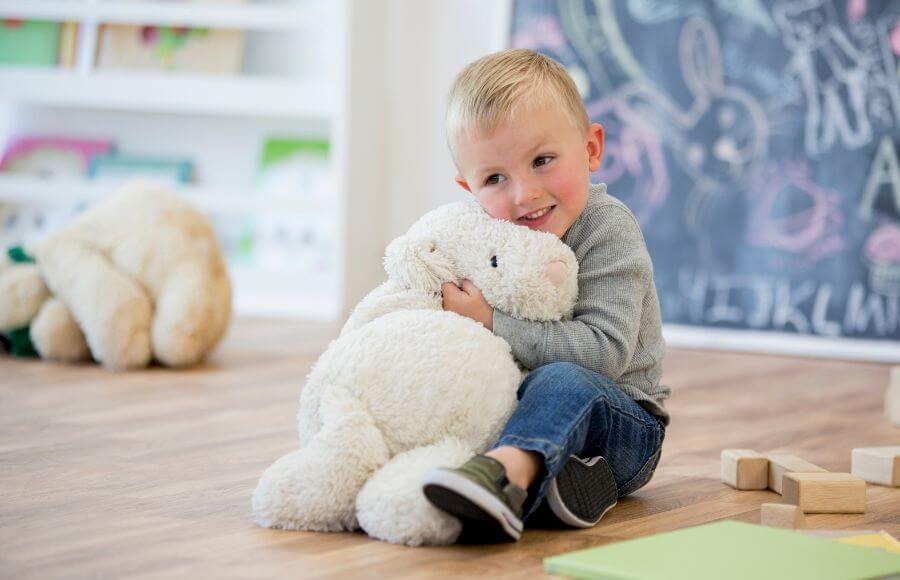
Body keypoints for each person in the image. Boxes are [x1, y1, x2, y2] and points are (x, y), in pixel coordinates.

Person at [421, 48, 670, 543]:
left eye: (542, 161)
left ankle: (504, 475)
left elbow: (605, 354)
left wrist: (491, 321)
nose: (525, 194)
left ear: (592, 148)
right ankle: (563, 487)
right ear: (468, 188)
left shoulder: (607, 228)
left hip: (624, 425)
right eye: (495, 178)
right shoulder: (488, 237)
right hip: (532, 415)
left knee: (563, 380)